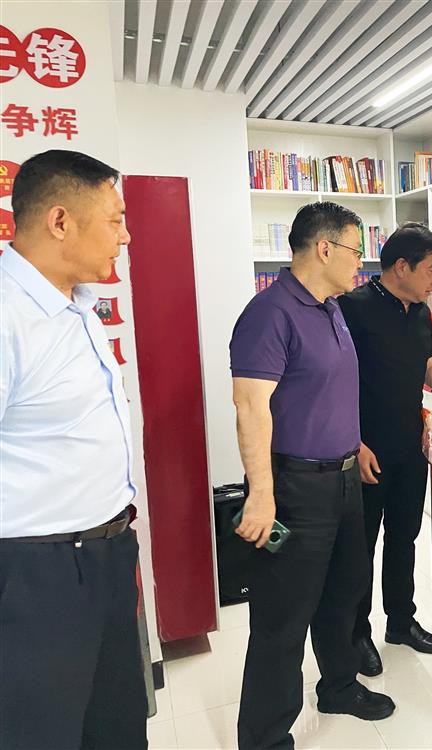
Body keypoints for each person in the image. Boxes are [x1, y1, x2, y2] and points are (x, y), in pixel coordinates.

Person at [230, 202, 395, 750]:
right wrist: (261, 495)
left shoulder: (331, 308)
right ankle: (265, 736)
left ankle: (339, 686)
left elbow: (326, 390)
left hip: (345, 480)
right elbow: (250, 407)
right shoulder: (270, 314)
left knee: (343, 594)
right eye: (356, 250)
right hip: (296, 488)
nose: (362, 263)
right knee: (282, 617)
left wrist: (355, 442)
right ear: (324, 248)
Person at [0, 150, 147, 748]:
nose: (125, 236)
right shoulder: (8, 314)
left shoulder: (76, 305)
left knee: (115, 725)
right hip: (38, 572)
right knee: (44, 732)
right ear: (60, 221)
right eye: (115, 220)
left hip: (106, 552)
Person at [339, 222, 432, 677]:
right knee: (361, 546)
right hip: (366, 451)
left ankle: (400, 622)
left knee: (404, 537)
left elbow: (424, 365)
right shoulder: (352, 308)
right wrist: (354, 443)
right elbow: (336, 382)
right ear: (401, 266)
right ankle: (357, 635)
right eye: (431, 268)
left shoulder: (419, 311)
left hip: (410, 445)